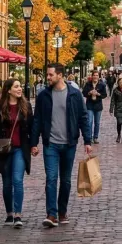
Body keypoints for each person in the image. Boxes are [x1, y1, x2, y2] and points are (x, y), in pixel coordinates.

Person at [31, 63, 92, 228]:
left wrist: (87, 140)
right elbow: (37, 119)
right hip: (50, 143)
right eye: (47, 74)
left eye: (50, 75)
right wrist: (34, 143)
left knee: (65, 180)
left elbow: (83, 117)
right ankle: (51, 214)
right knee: (51, 178)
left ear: (60, 75)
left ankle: (62, 211)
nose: (48, 77)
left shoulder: (74, 94)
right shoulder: (43, 95)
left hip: (69, 143)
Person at [0, 78, 33, 228]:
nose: (20, 89)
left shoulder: (26, 106)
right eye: (16, 86)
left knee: (17, 180)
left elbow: (32, 127)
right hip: (3, 149)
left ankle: (18, 214)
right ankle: (9, 213)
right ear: (9, 90)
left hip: (20, 148)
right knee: (7, 182)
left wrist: (34, 145)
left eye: (20, 86)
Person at [82, 72, 108, 145]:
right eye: (94, 75)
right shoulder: (88, 84)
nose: (95, 76)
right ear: (92, 76)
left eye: (97, 75)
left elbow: (105, 95)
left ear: (98, 76)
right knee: (89, 122)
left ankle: (95, 137)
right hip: (89, 105)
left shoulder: (102, 85)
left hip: (98, 106)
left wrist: (98, 94)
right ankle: (89, 138)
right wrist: (89, 93)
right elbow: (83, 93)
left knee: (97, 122)